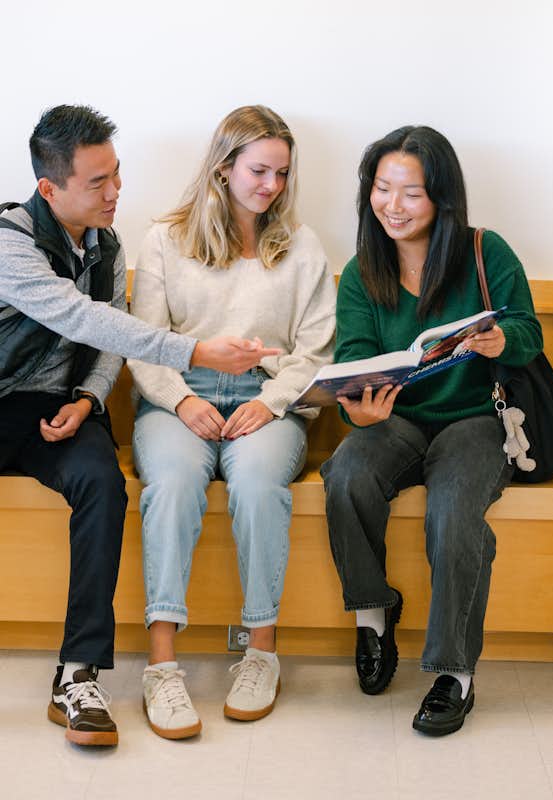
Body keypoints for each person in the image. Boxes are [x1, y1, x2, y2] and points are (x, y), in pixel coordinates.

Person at [0, 105, 274, 748]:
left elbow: (107, 341)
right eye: (97, 182)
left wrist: (92, 400)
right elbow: (81, 318)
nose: (115, 192)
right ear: (49, 188)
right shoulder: (10, 240)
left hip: (58, 406)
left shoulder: (107, 241)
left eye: (116, 176)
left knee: (103, 482)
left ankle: (78, 674)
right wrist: (198, 352)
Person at [321, 125, 543, 736]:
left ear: (443, 199)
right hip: (398, 420)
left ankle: (454, 674)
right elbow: (358, 357)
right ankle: (373, 615)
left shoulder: (483, 251)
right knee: (345, 474)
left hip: (476, 420)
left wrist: (503, 338)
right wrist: (357, 411)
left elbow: (529, 330)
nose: (393, 205)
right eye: (382, 189)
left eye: (411, 193)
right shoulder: (362, 270)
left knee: (453, 513)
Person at [128, 105, 336, 740]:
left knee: (255, 485)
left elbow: (317, 350)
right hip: (176, 394)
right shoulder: (165, 238)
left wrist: (270, 403)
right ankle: (162, 666)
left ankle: (260, 651)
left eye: (280, 173)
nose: (269, 186)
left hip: (266, 396)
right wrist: (181, 400)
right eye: (257, 170)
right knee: (172, 483)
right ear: (223, 167)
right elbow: (145, 341)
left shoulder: (301, 245)